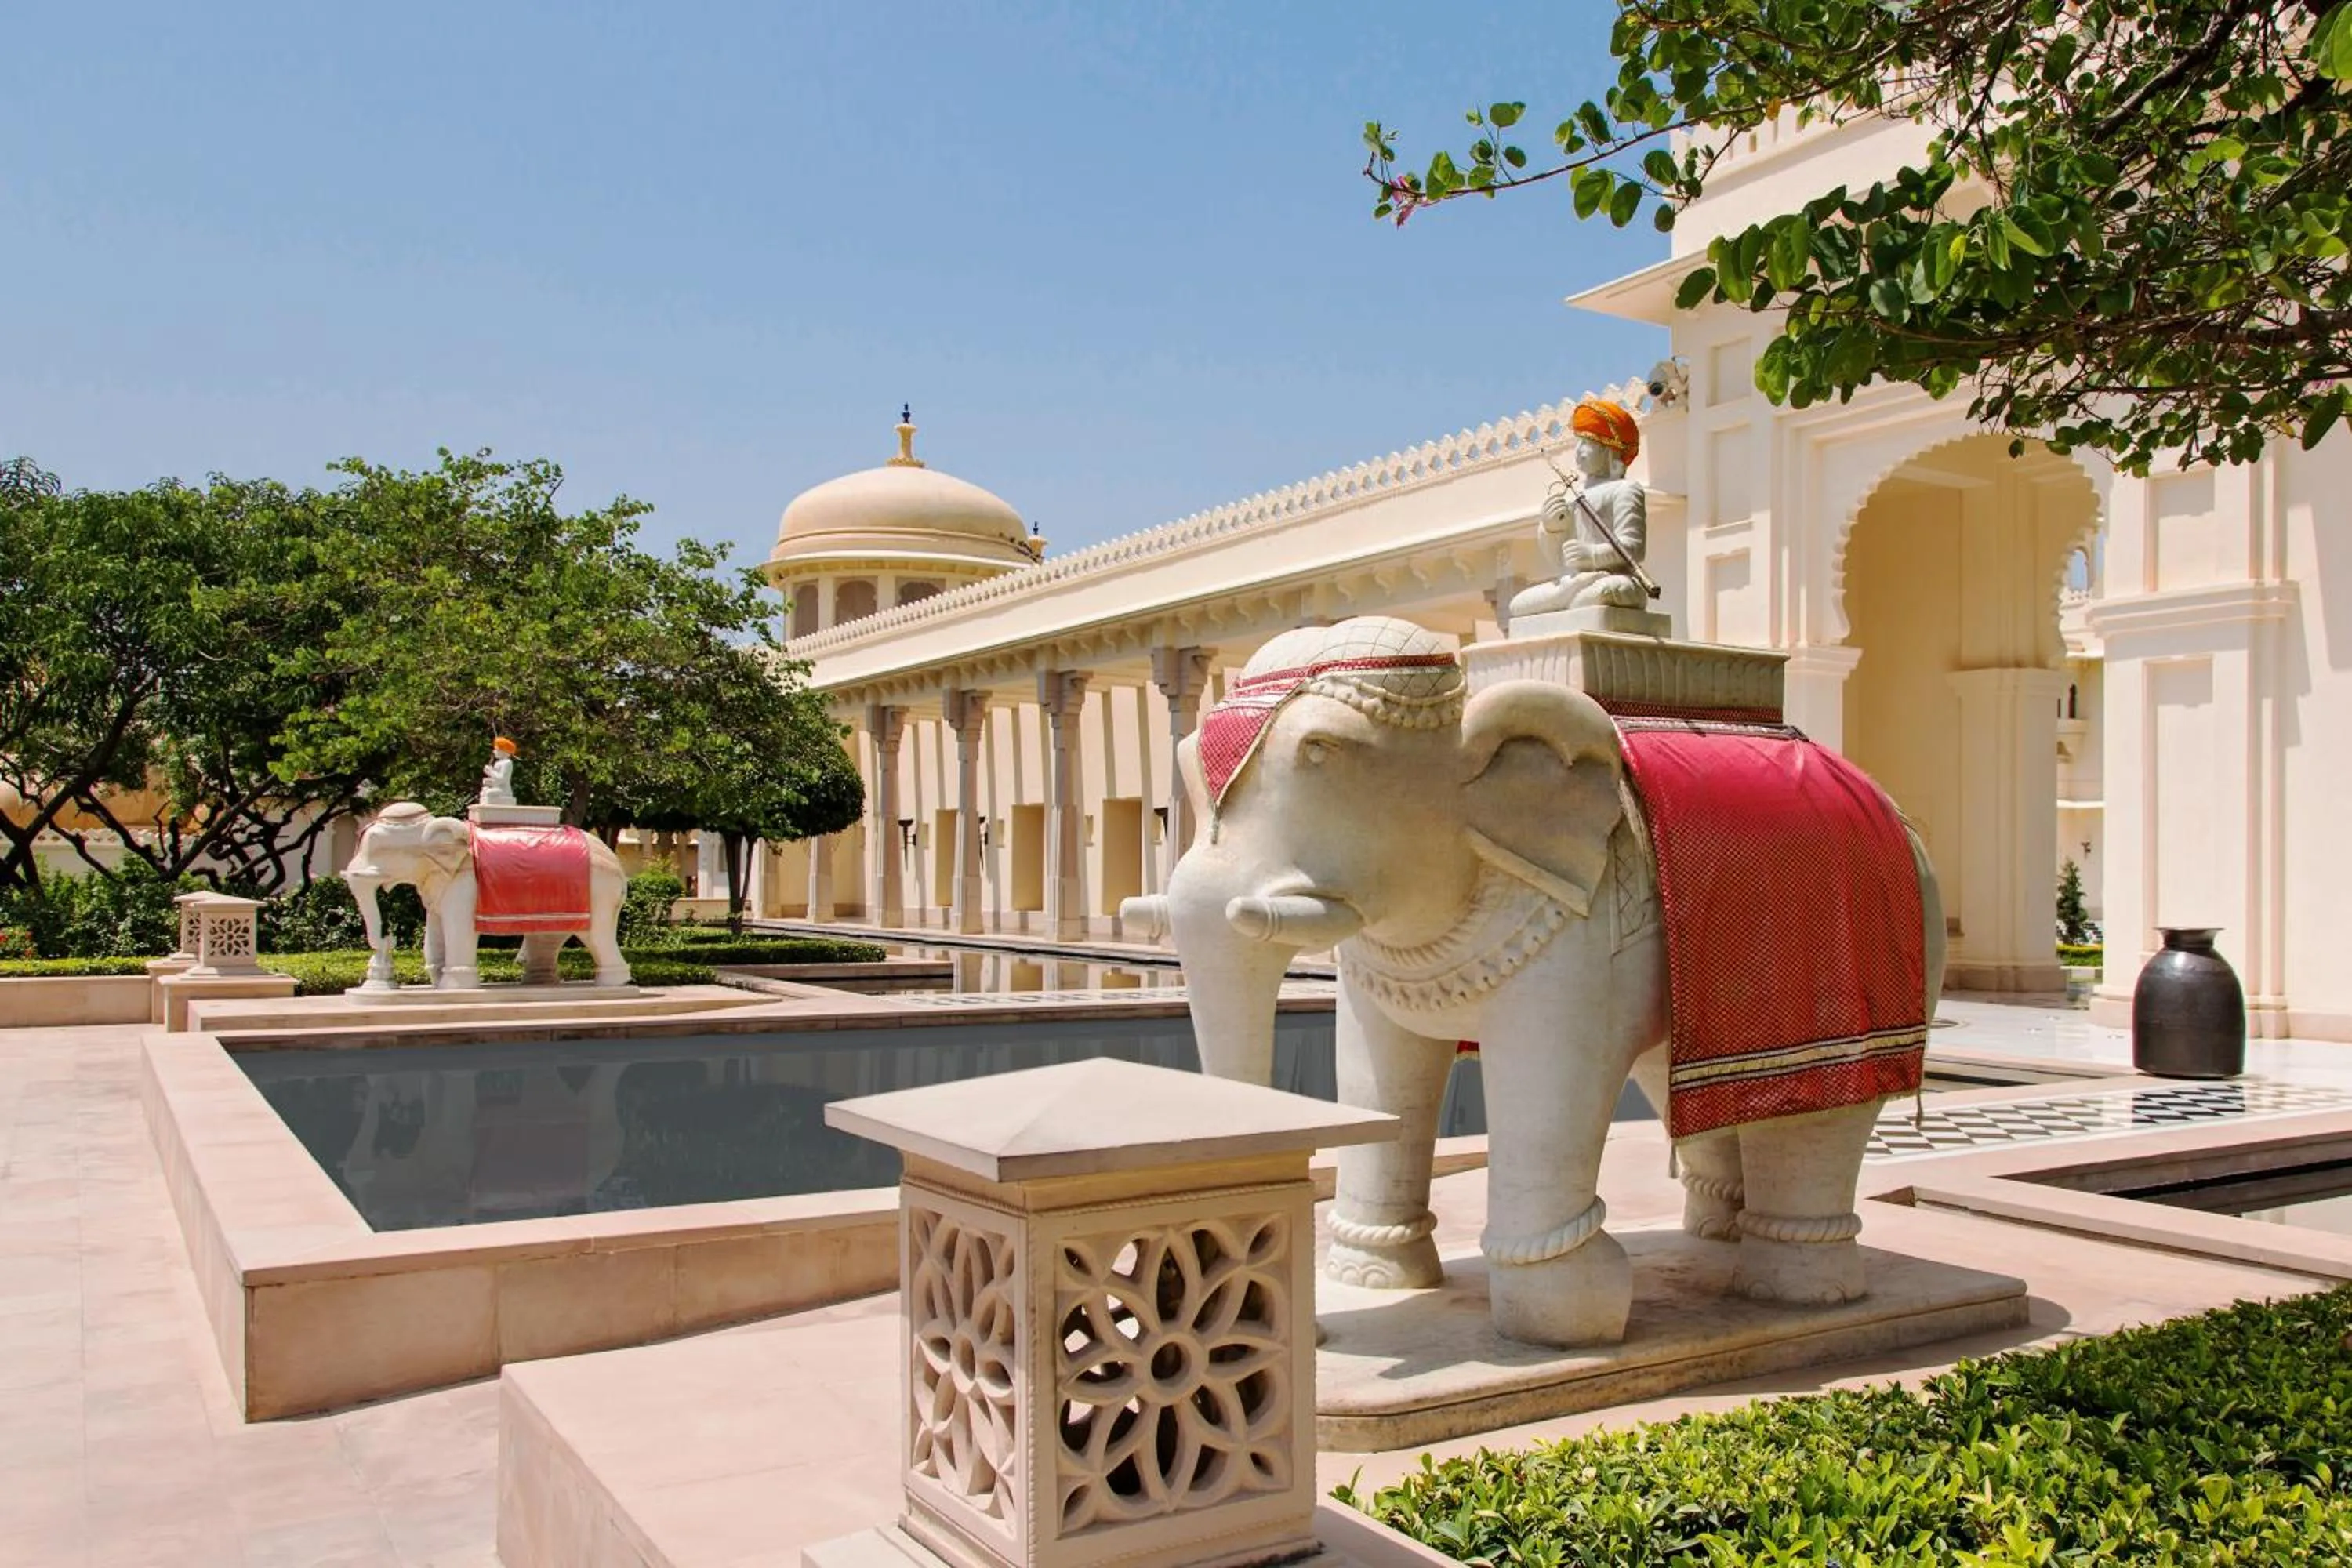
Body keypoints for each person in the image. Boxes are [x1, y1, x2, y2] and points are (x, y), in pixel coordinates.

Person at [1508, 395, 1650, 619]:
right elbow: (1559, 560)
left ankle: (1571, 600)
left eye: (1589, 443)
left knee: (1602, 593)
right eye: (1579, 442)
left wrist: (1592, 555)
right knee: (1518, 606)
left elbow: (1633, 548)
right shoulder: (1573, 496)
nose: (1579, 450)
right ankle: (1569, 599)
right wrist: (1551, 528)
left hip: (1611, 579)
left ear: (1610, 451)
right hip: (1573, 581)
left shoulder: (1625, 490)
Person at [478, 736, 519, 806]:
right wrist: (488, 781)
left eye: (497, 749)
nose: (494, 751)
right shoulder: (497, 763)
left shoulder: (507, 763)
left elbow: (503, 779)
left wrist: (491, 772)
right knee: (484, 792)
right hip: (496, 787)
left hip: (503, 790)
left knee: (489, 794)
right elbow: (495, 779)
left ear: (504, 751)